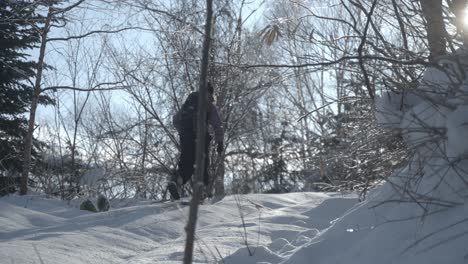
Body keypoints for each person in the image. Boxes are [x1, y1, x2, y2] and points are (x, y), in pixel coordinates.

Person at [168, 82, 224, 200]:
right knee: (202, 164)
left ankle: (176, 181)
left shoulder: (190, 100)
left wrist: (183, 133)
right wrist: (220, 142)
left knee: (186, 164)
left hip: (186, 136)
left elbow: (176, 120)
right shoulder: (209, 104)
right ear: (211, 92)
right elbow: (217, 125)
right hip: (201, 138)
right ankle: (201, 191)